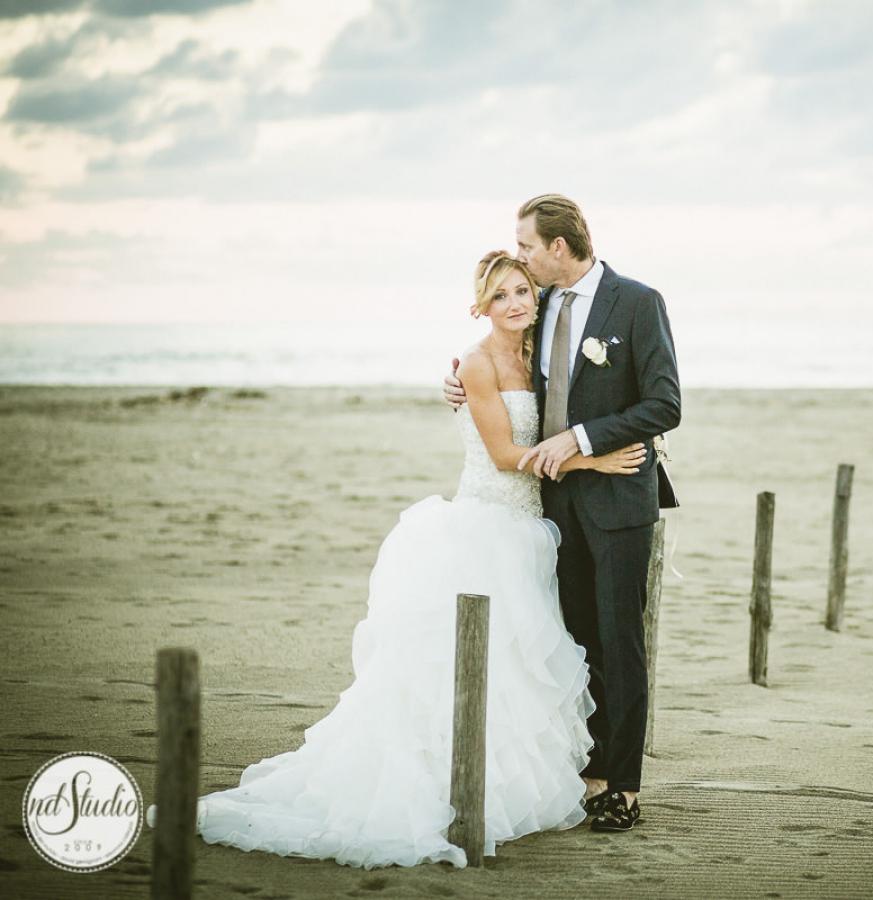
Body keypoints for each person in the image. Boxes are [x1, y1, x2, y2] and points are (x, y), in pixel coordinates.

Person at [146, 251, 649, 869]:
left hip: (531, 530)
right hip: (486, 525)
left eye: (523, 291)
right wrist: (592, 460)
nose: (516, 303)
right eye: (501, 297)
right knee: (455, 667)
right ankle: (448, 786)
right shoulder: (477, 362)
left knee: (520, 666)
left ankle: (513, 782)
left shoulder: (534, 352)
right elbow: (502, 454)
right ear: (478, 307)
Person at [443, 194, 681, 832]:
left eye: (525, 246)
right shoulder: (538, 303)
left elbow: (664, 406)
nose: (519, 257)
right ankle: (589, 769)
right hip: (549, 505)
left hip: (617, 496)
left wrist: (582, 441)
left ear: (557, 246)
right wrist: (457, 380)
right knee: (573, 642)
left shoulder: (637, 303)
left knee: (620, 639)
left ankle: (623, 787)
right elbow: (506, 361)